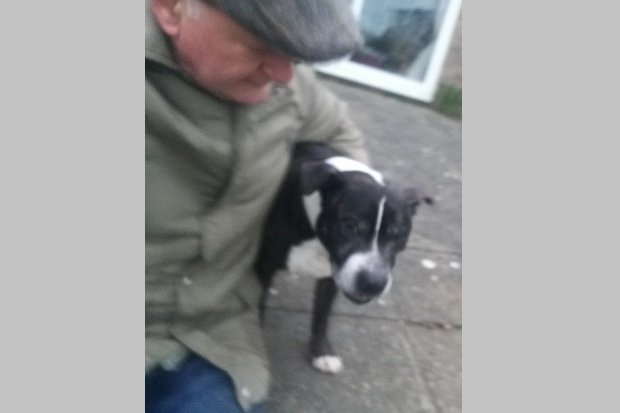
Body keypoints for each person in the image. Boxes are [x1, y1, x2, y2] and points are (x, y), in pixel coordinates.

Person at [145, 0, 370, 411]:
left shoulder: (292, 85)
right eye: (262, 43)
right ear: (171, 9)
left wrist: (350, 216)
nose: (285, 73)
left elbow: (341, 132)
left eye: (296, 52)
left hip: (212, 342)